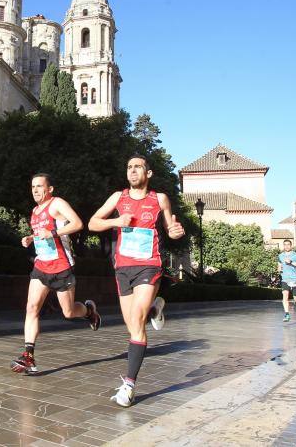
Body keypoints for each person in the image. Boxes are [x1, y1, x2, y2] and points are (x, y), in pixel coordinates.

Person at [89, 154, 185, 407]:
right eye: (129, 167)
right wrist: (115, 221)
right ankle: (156, 307)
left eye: (138, 167)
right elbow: (92, 223)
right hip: (123, 267)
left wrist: (176, 231)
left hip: (148, 265)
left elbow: (171, 228)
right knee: (132, 324)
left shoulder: (159, 199)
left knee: (138, 322)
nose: (132, 171)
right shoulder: (118, 197)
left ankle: (129, 385)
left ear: (148, 173)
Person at [10, 173, 101, 375]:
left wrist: (51, 233)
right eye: (33, 186)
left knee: (68, 312)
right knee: (31, 307)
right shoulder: (34, 211)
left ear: (49, 189)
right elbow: (42, 234)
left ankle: (88, 311)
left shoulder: (57, 203)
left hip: (62, 266)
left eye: (39, 186)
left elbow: (77, 224)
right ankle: (29, 356)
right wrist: (31, 238)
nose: (35, 190)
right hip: (42, 266)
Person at [278, 239, 296, 322]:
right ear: (283, 246)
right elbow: (279, 265)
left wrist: (291, 262)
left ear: (291, 245)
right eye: (285, 244)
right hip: (285, 279)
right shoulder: (280, 256)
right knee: (285, 296)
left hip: (294, 279)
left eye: (288, 244)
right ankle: (287, 314)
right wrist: (279, 269)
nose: (286, 246)